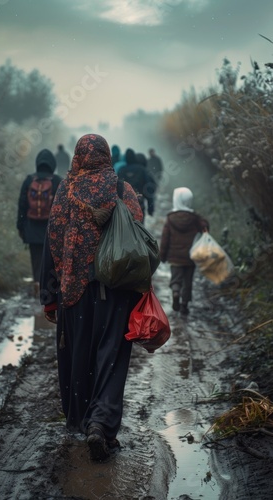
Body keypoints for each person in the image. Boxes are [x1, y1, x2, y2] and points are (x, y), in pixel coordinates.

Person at [40, 133, 143, 461]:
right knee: (111, 360)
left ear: (78, 156)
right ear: (105, 156)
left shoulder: (66, 189)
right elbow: (138, 235)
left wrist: (49, 295)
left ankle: (84, 421)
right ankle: (102, 424)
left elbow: (52, 241)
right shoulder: (121, 189)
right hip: (116, 292)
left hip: (75, 293)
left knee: (79, 359)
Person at [17, 149, 62, 295]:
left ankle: (37, 281)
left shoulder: (29, 180)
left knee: (36, 257)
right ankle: (48, 287)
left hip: (31, 226)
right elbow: (62, 208)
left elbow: (22, 205)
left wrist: (21, 227)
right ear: (52, 164)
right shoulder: (57, 181)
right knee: (51, 257)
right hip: (52, 229)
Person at [159, 187, 209, 315]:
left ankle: (175, 292)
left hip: (174, 257)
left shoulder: (170, 218)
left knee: (176, 279)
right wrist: (199, 218)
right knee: (188, 282)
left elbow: (165, 239)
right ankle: (184, 305)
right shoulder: (194, 218)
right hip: (190, 256)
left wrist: (162, 255)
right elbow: (206, 228)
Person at [118, 148, 153, 221]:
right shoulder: (142, 170)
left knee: (126, 227)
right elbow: (148, 188)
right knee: (140, 226)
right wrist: (150, 207)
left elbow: (117, 188)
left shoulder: (121, 170)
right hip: (139, 202)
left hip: (125, 204)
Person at [136, 152, 157, 219]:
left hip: (127, 206)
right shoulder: (146, 173)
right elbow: (150, 191)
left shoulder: (125, 170)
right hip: (141, 205)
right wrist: (151, 209)